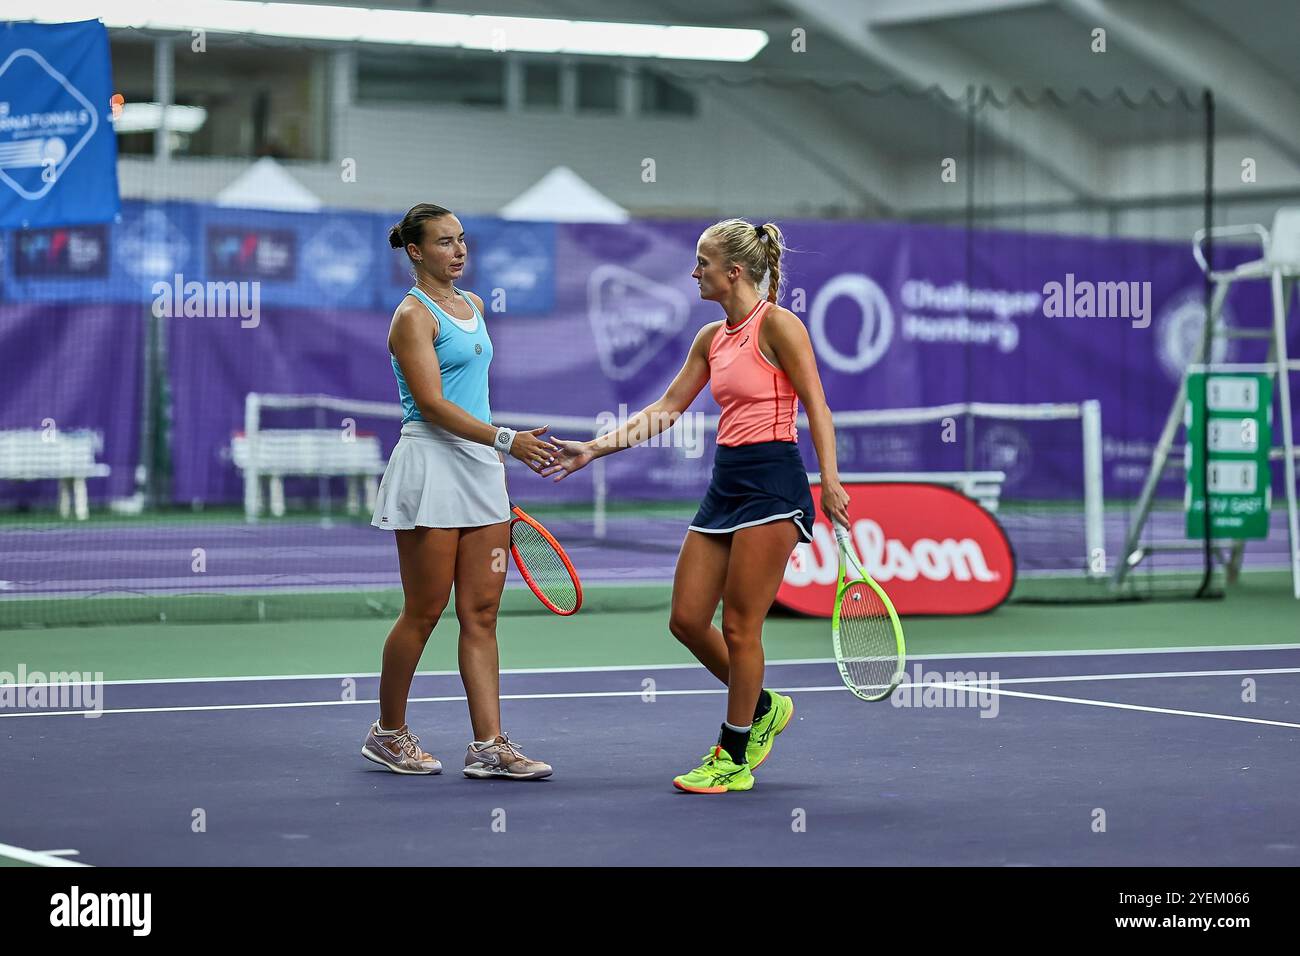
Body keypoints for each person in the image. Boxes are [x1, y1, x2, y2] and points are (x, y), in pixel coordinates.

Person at [545, 218, 851, 793]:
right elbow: (665, 409)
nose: (694, 273)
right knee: (687, 619)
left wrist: (829, 481)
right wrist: (593, 448)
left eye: (703, 264)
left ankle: (732, 756)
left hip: (772, 485)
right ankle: (763, 706)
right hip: (726, 483)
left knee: (740, 627)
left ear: (733, 272)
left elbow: (818, 406)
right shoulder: (711, 339)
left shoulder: (780, 326)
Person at [360, 202, 557, 780]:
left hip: (481, 470)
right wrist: (506, 440)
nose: (459, 250)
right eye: (445, 242)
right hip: (430, 466)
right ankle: (388, 733)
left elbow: (471, 399)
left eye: (462, 240)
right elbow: (433, 405)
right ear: (416, 252)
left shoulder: (473, 307)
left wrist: (495, 453)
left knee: (483, 612)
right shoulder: (411, 317)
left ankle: (489, 746)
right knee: (424, 611)